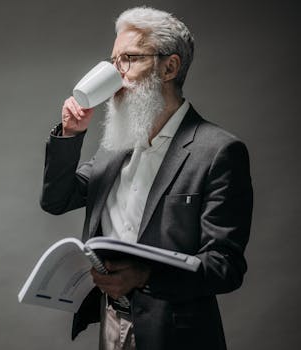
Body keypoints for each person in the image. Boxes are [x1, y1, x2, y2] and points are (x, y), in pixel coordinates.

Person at [40, 6, 253, 350]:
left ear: (169, 67)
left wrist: (146, 276)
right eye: (113, 62)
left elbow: (225, 266)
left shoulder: (218, 151)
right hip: (110, 322)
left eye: (129, 59)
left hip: (176, 334)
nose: (116, 74)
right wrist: (70, 134)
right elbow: (56, 200)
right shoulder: (114, 147)